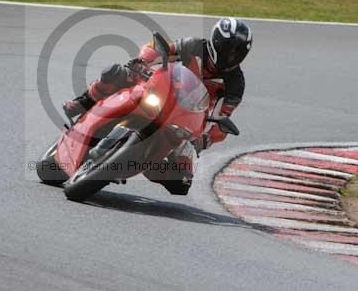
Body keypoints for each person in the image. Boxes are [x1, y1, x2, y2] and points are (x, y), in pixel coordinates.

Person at [63, 17, 252, 195]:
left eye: (238, 52)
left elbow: (224, 118)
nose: (231, 56)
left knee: (181, 182)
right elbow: (158, 48)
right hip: (160, 92)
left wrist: (207, 139)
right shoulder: (194, 46)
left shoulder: (236, 84)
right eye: (229, 48)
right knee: (117, 72)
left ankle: (143, 162)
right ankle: (84, 102)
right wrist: (142, 61)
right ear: (216, 41)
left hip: (187, 119)